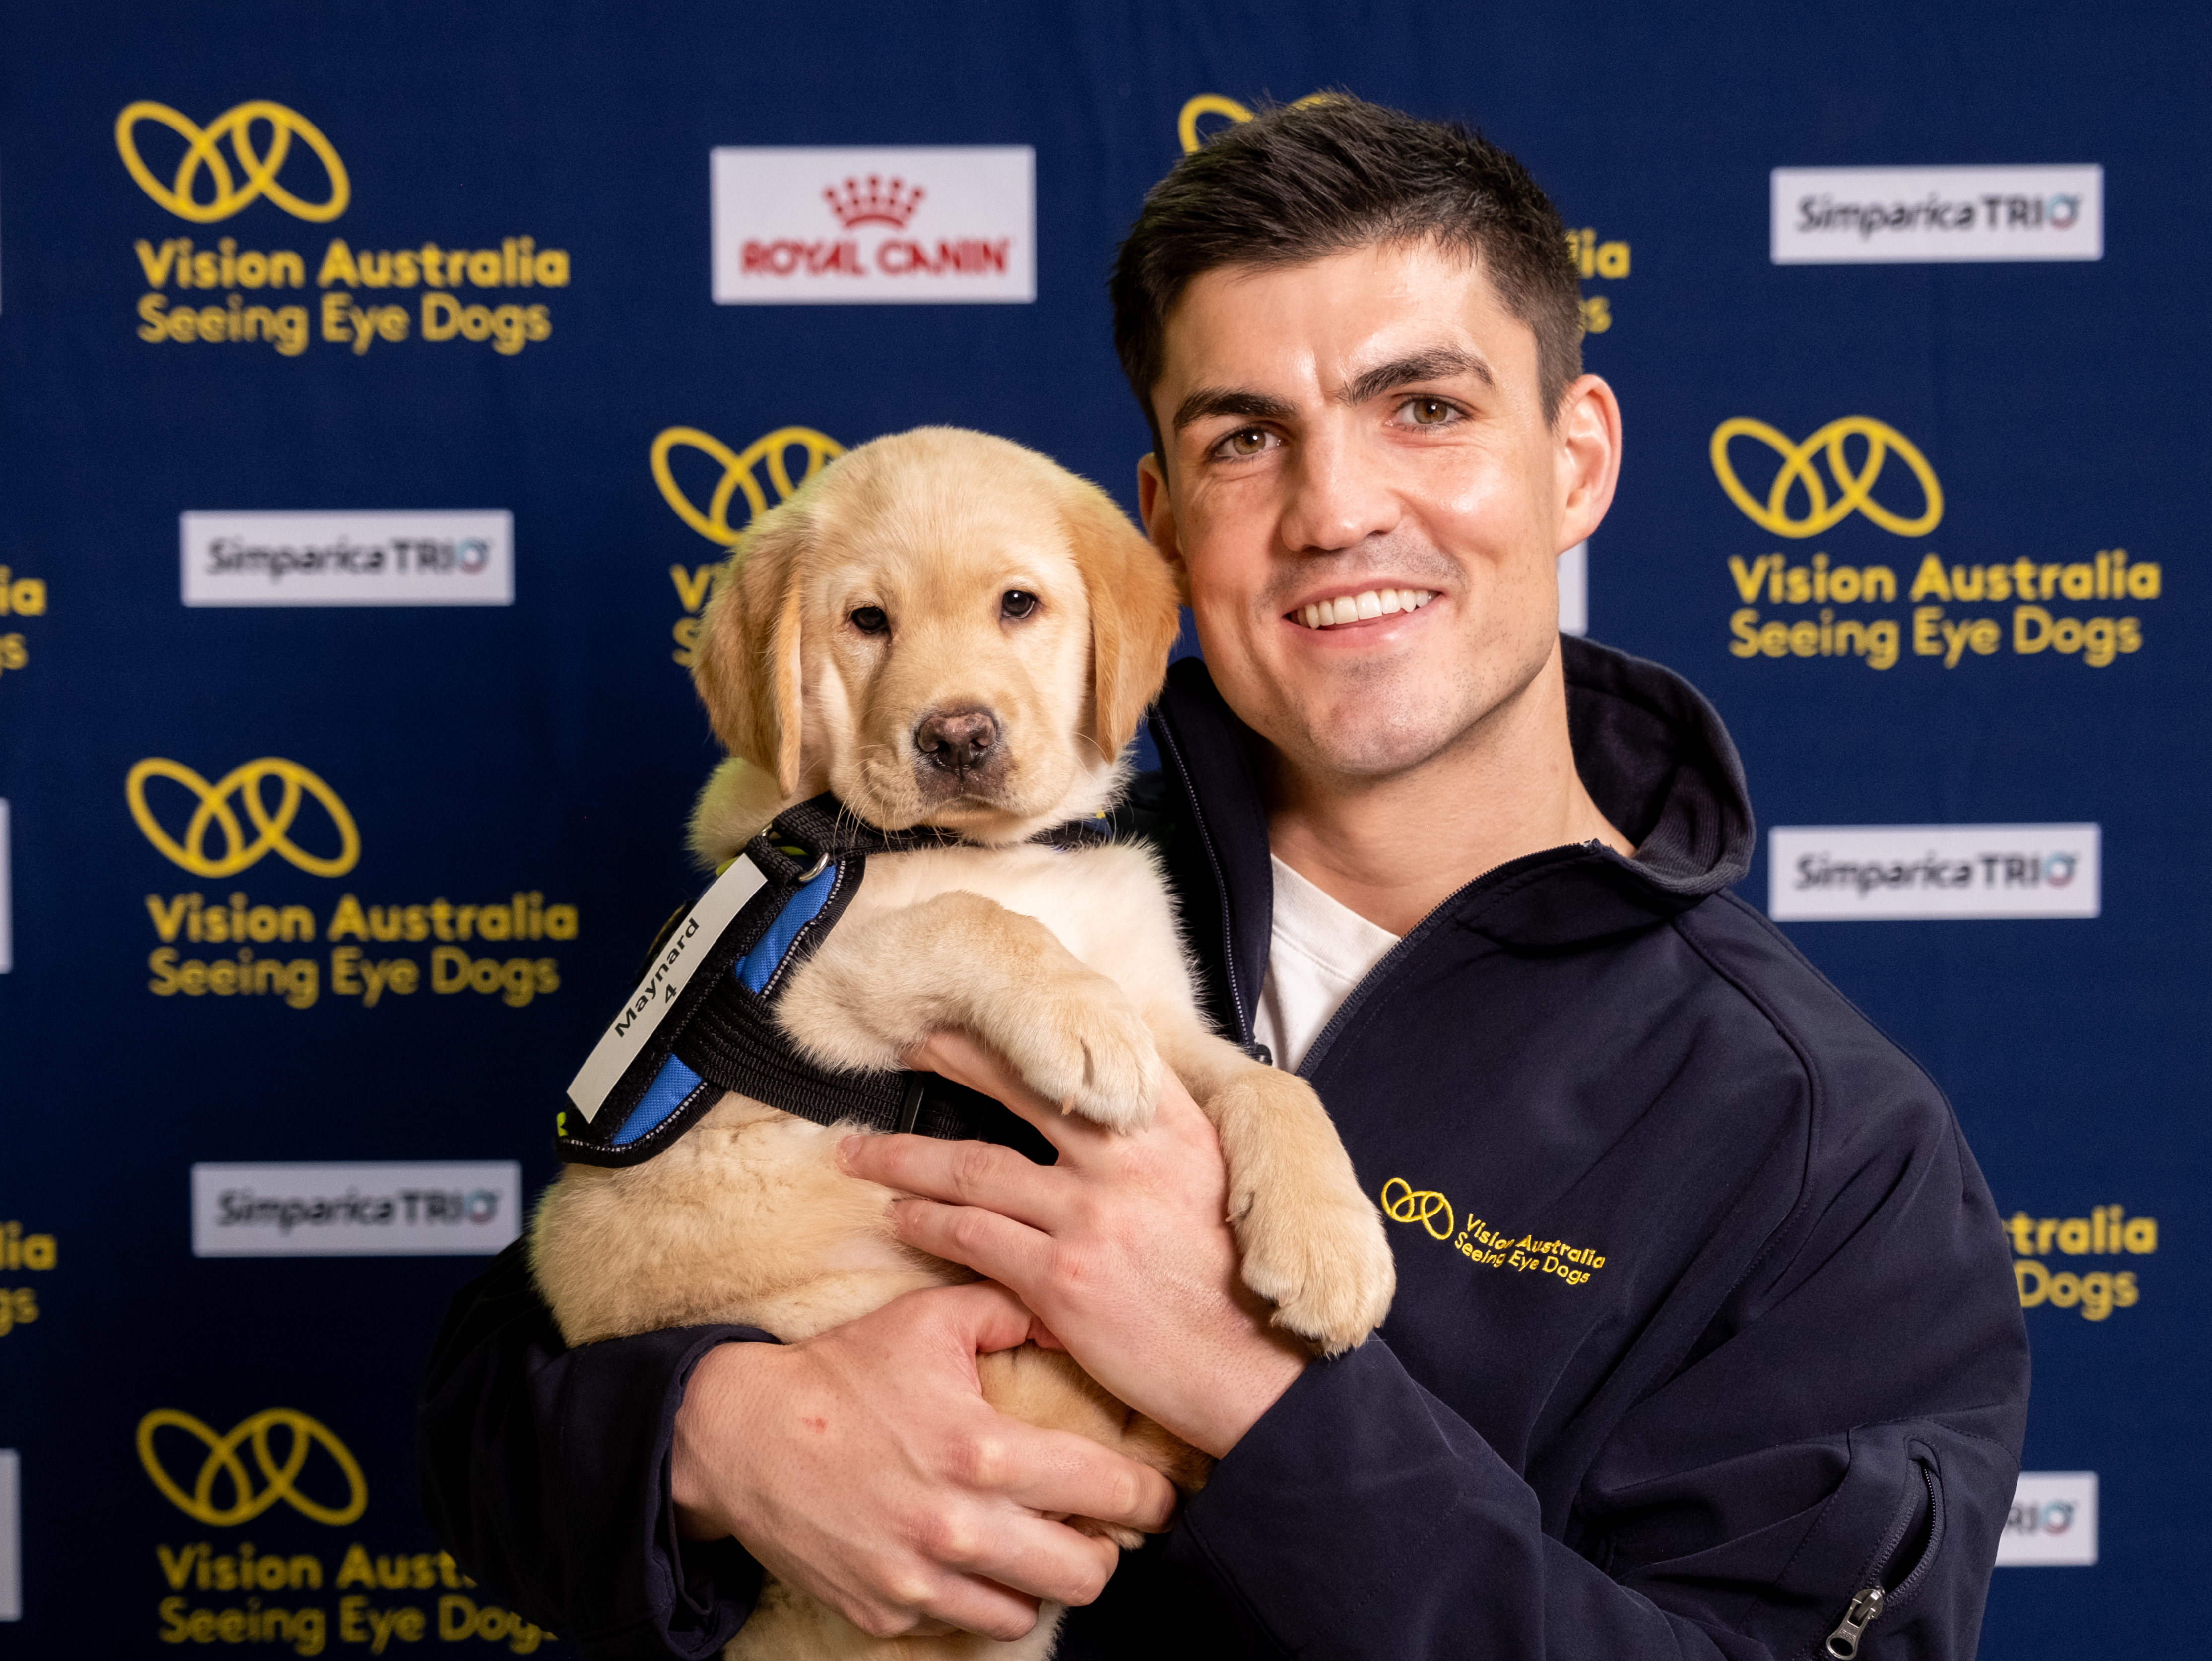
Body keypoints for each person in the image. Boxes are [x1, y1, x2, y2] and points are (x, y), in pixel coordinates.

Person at [419, 97, 2028, 1661]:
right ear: (1161, 521)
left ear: (1576, 458)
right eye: (1248, 438)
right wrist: (724, 1438)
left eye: (1428, 407)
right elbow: (501, 1394)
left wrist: (1258, 1401)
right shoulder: (935, 859)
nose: (1336, 511)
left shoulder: (1820, 1148)